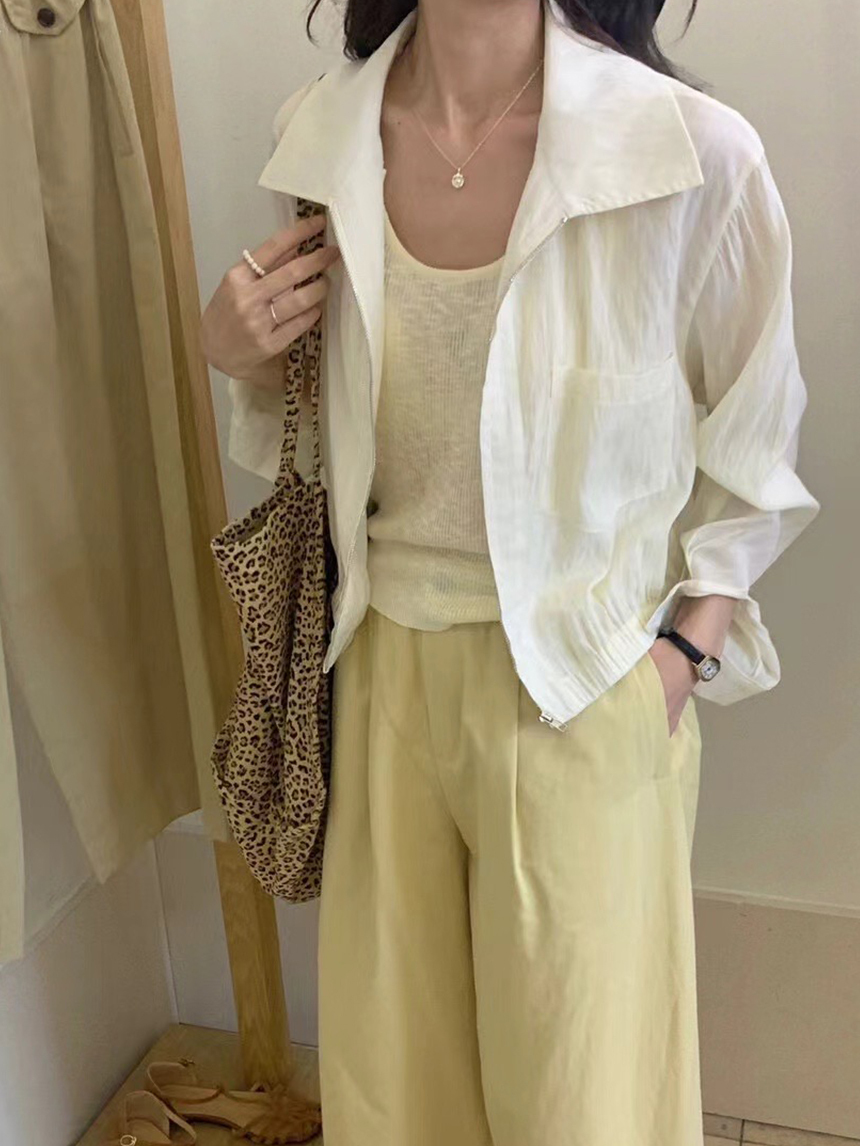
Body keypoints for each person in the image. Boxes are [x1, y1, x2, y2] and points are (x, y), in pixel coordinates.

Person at [200, 0, 820, 1142]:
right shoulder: (320, 136)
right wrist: (237, 353)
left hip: (584, 688)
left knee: (588, 1105)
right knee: (395, 1099)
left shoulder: (687, 153)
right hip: (379, 672)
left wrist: (681, 657)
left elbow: (757, 448)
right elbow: (321, 438)